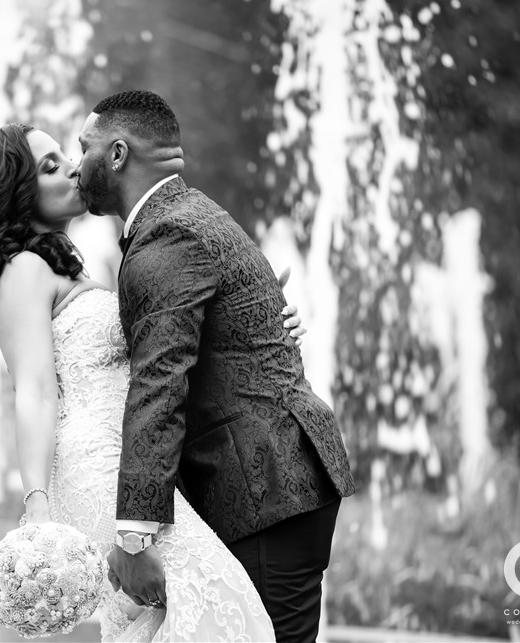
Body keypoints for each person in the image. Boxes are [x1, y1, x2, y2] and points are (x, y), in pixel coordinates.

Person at [0, 123, 307, 640]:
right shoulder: (25, 270)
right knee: (217, 599)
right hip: (95, 470)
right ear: (14, 195)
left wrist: (250, 315)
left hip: (130, 468)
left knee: (175, 617)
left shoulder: (67, 268)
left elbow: (159, 350)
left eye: (65, 157)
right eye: (50, 166)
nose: (74, 167)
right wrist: (38, 506)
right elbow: (32, 390)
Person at [73, 90, 356, 643]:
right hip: (271, 484)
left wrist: (133, 537)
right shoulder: (187, 216)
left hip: (264, 489)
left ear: (117, 154)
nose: (76, 162)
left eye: (83, 147)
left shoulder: (168, 233)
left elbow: (160, 380)